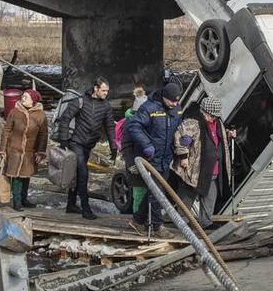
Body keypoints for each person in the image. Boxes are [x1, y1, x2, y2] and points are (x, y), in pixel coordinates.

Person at [58, 77, 119, 220]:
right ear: (96, 89)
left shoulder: (106, 107)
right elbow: (65, 118)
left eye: (107, 91)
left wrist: (113, 146)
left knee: (77, 174)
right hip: (75, 143)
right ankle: (86, 209)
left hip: (88, 145)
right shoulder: (80, 101)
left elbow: (110, 127)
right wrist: (64, 141)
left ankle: (71, 205)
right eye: (103, 90)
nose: (106, 93)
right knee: (83, 174)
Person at [127, 82, 183, 234]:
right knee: (157, 192)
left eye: (177, 100)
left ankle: (137, 220)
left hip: (166, 157)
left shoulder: (176, 108)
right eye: (172, 100)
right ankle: (157, 226)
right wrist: (146, 145)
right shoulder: (149, 108)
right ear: (164, 97)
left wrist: (183, 139)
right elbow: (134, 126)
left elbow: (179, 126)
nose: (175, 103)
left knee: (156, 190)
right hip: (151, 157)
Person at [172, 96, 233, 227]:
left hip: (213, 168)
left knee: (210, 196)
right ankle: (182, 222)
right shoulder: (192, 122)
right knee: (187, 196)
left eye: (215, 116)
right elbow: (181, 139)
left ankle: (206, 222)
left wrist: (227, 134)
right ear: (204, 111)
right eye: (211, 115)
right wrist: (183, 158)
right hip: (195, 168)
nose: (213, 118)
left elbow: (217, 138)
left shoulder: (217, 123)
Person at [0, 89, 49, 210]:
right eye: (23, 96)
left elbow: (43, 135)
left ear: (33, 100)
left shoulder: (40, 115)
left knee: (26, 176)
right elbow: (6, 130)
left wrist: (41, 151)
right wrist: (2, 149)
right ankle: (16, 201)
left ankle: (24, 198)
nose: (23, 98)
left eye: (26, 97)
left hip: (30, 151)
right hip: (14, 149)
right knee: (16, 176)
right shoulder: (14, 112)